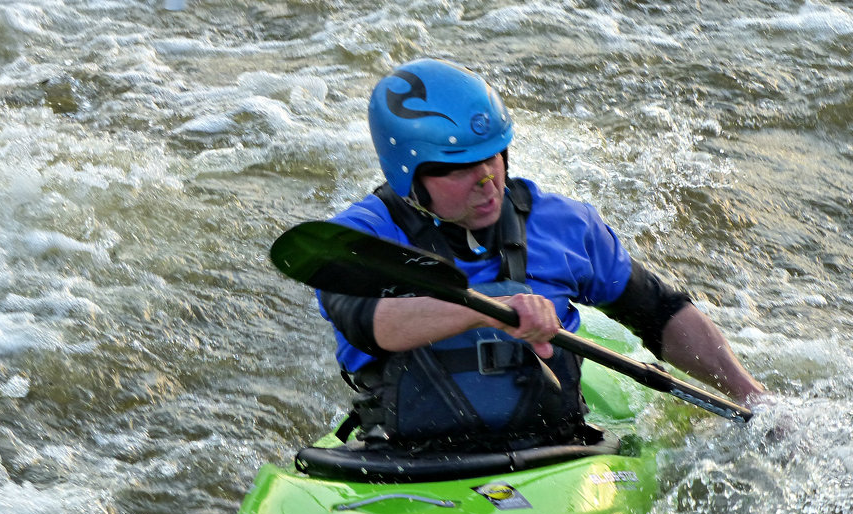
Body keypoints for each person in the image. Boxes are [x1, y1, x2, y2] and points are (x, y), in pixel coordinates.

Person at [318, 58, 764, 452]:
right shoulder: (360, 238)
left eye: (494, 156)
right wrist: (488, 313)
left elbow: (660, 312)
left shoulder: (564, 224)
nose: (488, 180)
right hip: (406, 459)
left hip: (556, 452)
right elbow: (366, 321)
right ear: (409, 174)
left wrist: (751, 396)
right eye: (462, 167)